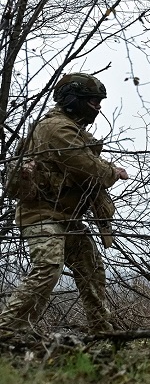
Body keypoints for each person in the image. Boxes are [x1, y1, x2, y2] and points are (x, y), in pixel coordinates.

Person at [0, 73, 129, 334]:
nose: (97, 107)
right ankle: (6, 330)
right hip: (41, 215)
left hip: (66, 218)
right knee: (47, 267)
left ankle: (102, 331)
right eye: (92, 101)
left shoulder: (71, 128)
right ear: (73, 100)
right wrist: (112, 172)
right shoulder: (57, 128)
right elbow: (90, 169)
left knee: (90, 266)